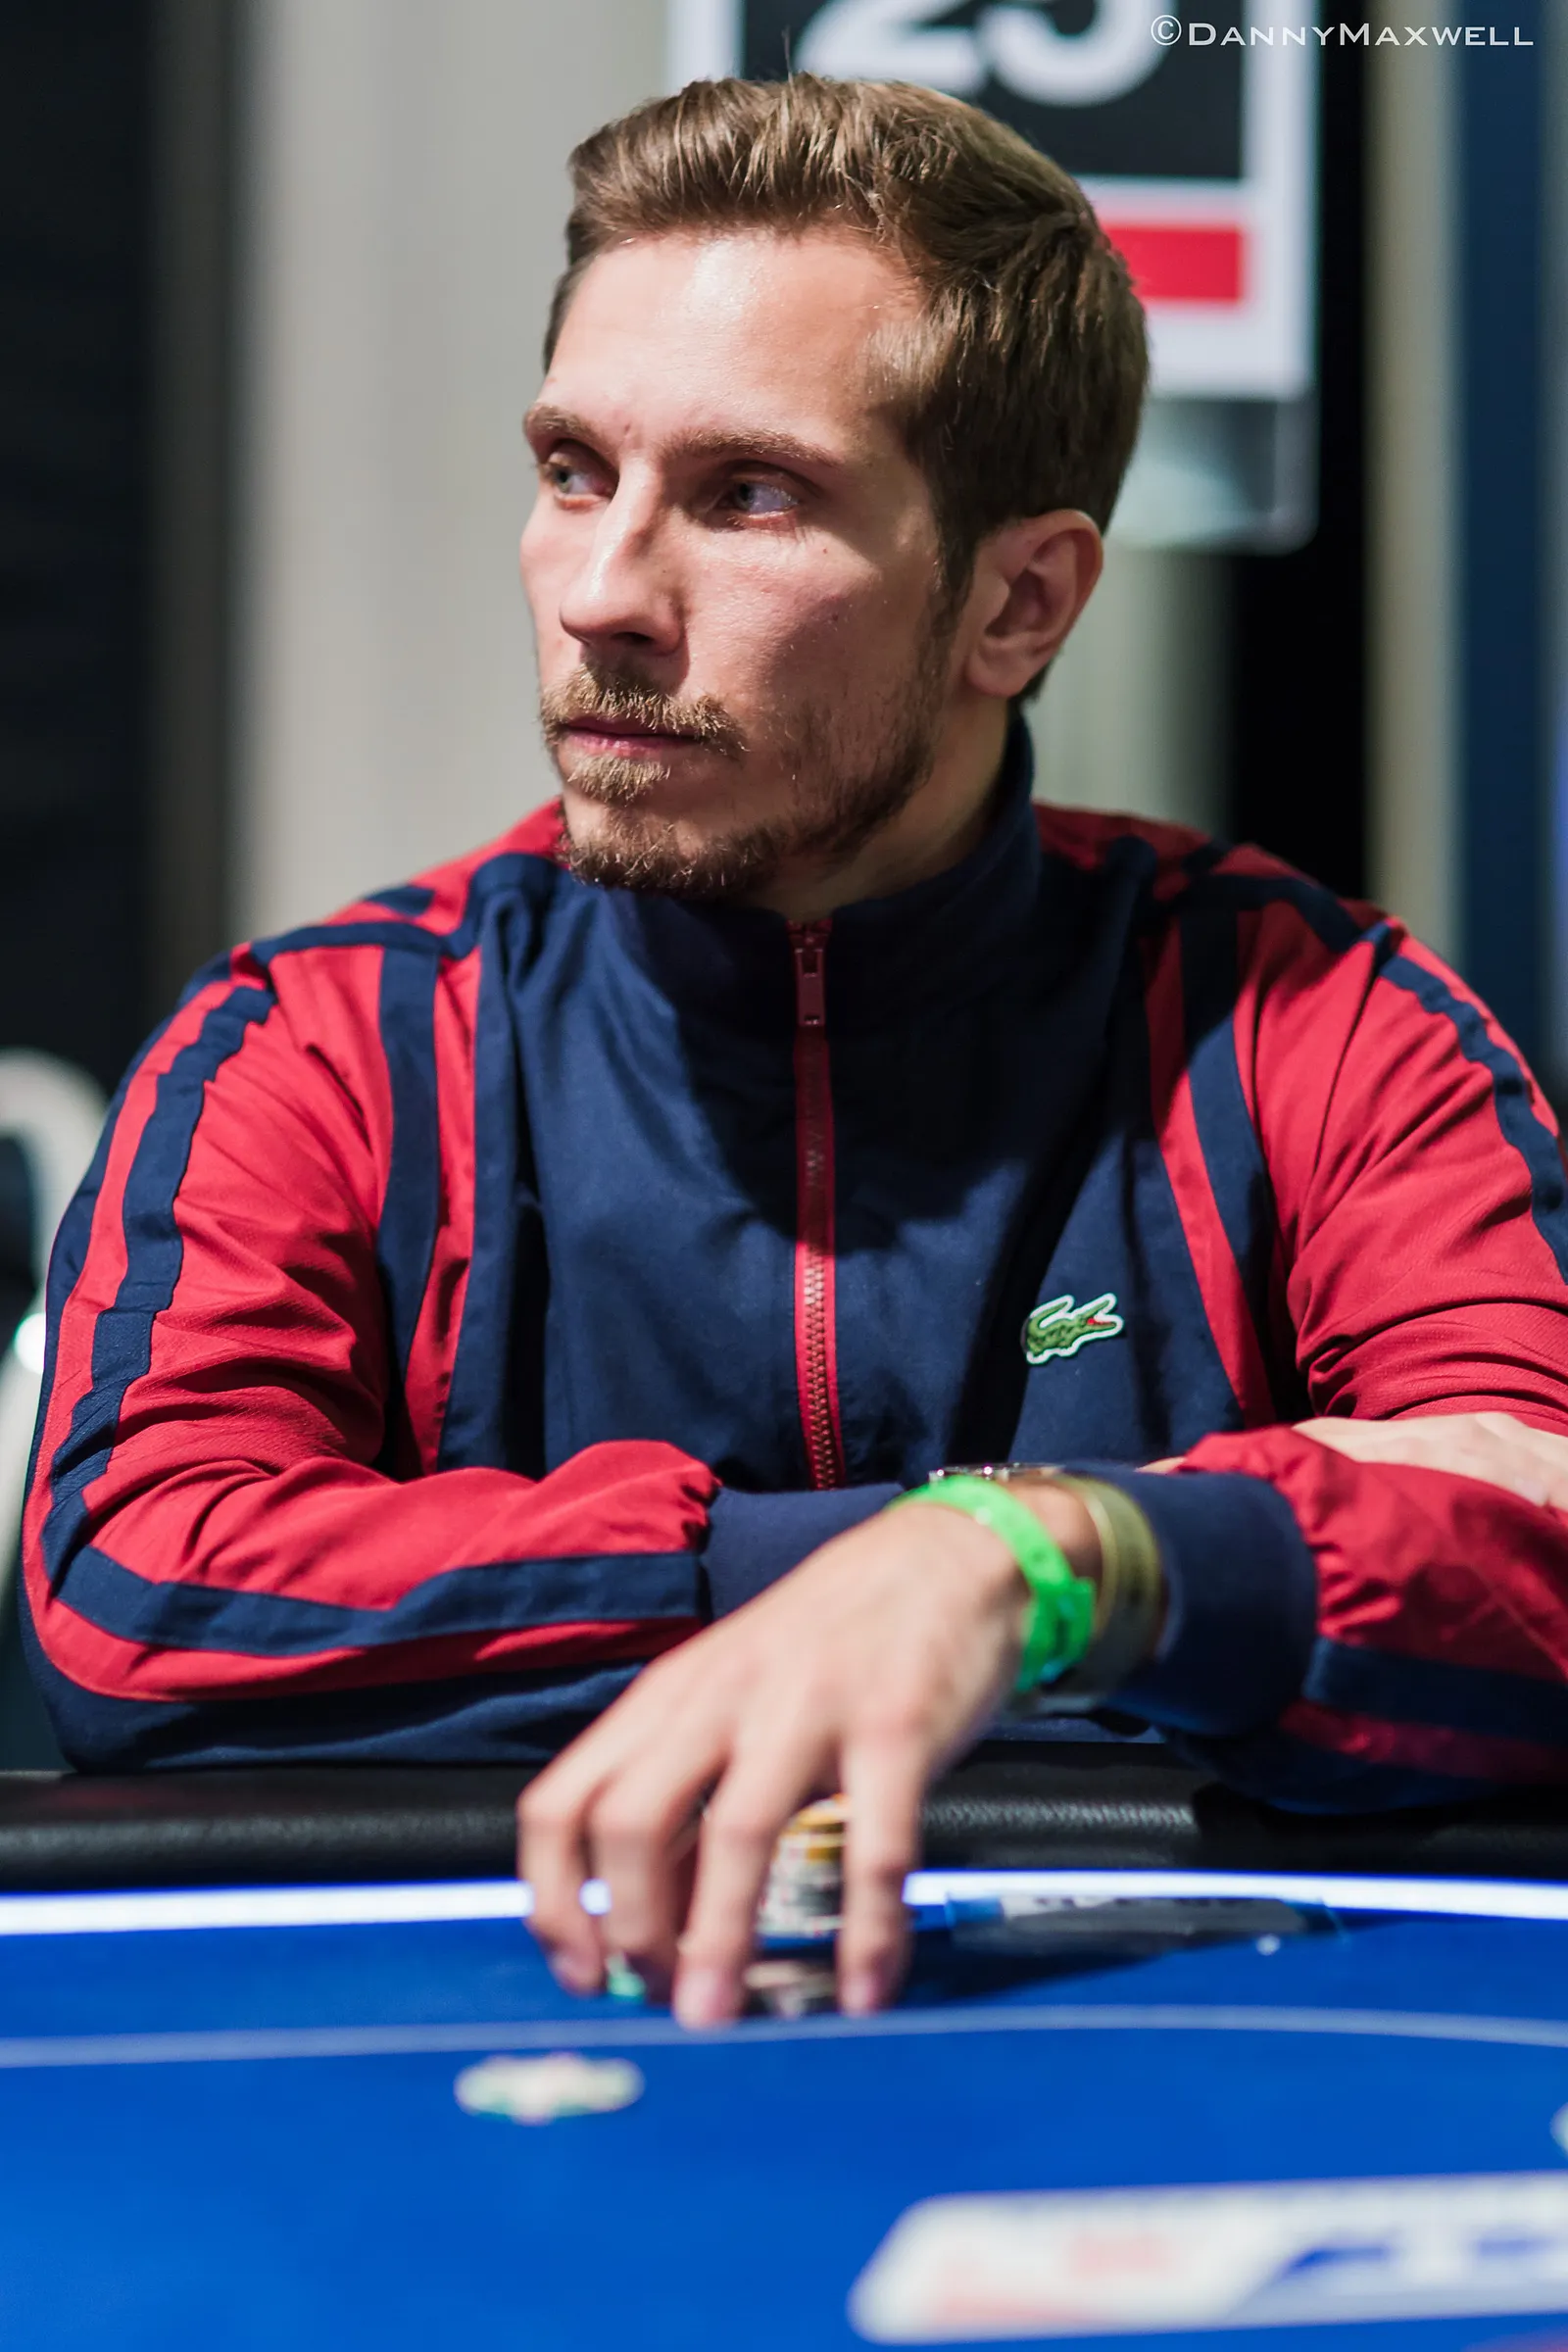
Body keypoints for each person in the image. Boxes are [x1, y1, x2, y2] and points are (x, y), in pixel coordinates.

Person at [21, 76, 1568, 2028]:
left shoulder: (1317, 1026)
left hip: (1143, 2076)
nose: (602, 594)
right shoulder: (317, 1043)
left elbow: (1535, 1542)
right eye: (573, 469)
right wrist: (914, 1570)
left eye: (748, 494)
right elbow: (142, 1594)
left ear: (1017, 600)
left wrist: (1048, 1561)